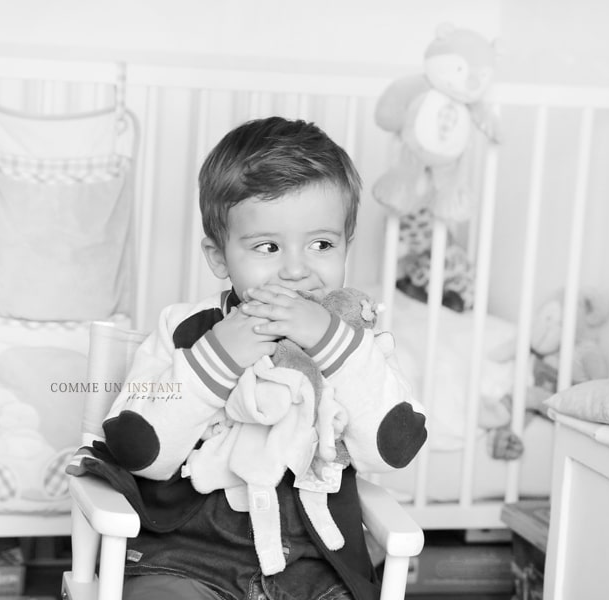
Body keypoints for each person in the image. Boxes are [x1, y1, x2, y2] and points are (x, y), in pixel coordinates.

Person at [75, 116, 427, 600]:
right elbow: (141, 449)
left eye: (322, 244)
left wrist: (330, 343)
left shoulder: (357, 340)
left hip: (316, 568)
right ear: (219, 257)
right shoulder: (183, 330)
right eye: (267, 247)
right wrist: (218, 356)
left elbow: (395, 446)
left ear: (346, 246)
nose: (298, 269)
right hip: (184, 560)